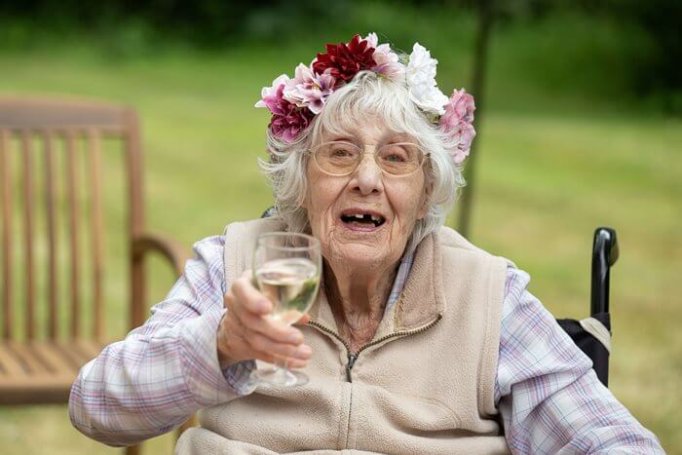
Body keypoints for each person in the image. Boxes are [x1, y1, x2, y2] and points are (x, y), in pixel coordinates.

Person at [69, 33, 664, 454]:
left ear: (428, 188)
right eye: (340, 152)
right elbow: (96, 406)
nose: (368, 179)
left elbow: (603, 438)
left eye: (397, 158)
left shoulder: (487, 294)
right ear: (299, 182)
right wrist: (219, 346)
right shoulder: (234, 264)